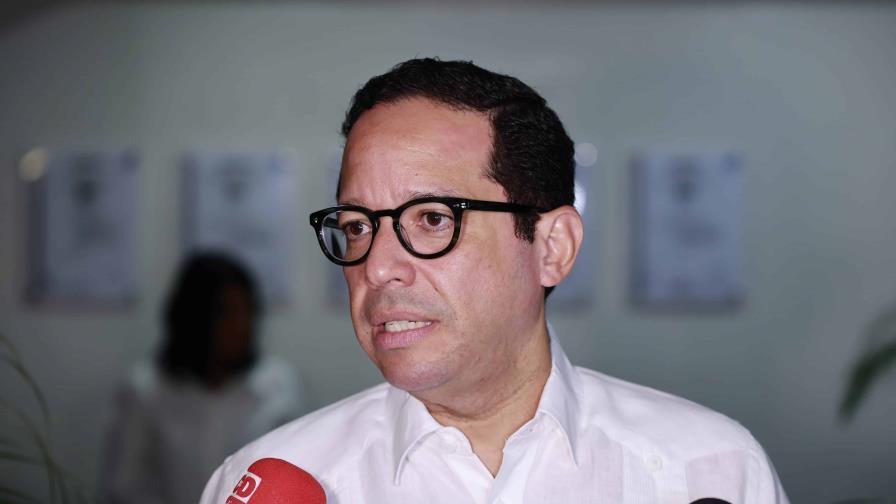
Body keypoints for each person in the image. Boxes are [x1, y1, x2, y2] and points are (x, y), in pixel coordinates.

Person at [200, 58, 788, 503]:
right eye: (357, 227)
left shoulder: (710, 473)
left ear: (552, 248)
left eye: (432, 219)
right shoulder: (263, 484)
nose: (376, 267)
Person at [103, 252, 303, 504]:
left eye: (247, 312)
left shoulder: (277, 386)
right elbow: (125, 486)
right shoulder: (145, 390)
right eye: (227, 313)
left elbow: (295, 472)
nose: (241, 326)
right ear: (194, 318)